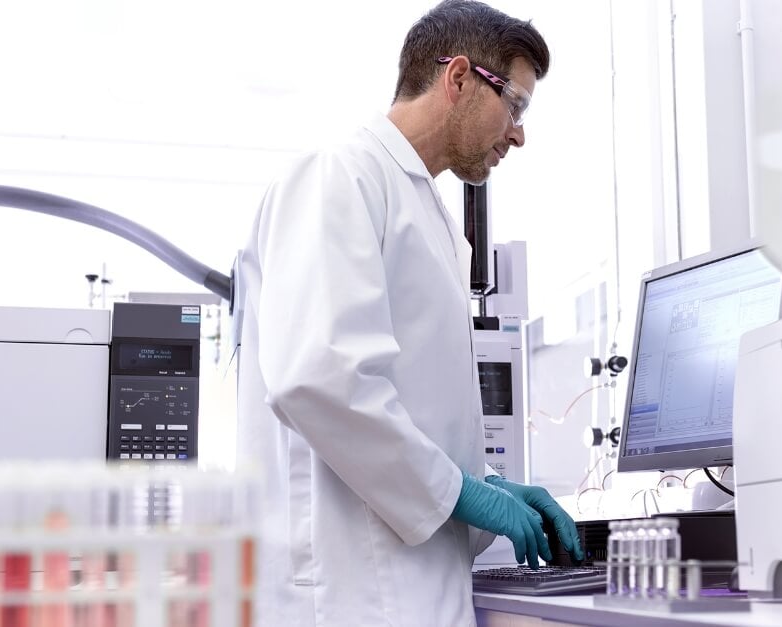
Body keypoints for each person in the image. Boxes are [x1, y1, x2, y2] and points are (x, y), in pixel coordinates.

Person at [235, 1, 584, 624]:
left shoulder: (428, 213)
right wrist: (460, 491)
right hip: (348, 593)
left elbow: (416, 411)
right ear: (459, 78)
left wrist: (487, 482)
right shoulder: (340, 177)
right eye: (516, 106)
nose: (519, 134)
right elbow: (319, 379)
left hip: (410, 586)